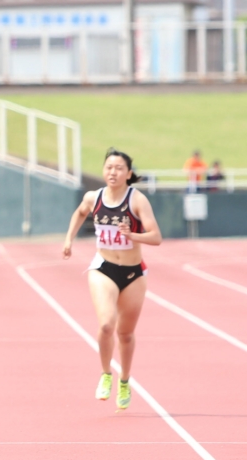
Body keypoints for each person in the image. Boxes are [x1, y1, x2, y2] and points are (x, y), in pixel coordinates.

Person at [62, 149, 163, 410]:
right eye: (108, 167)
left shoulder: (137, 200)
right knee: (106, 325)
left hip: (133, 273)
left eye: (119, 168)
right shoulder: (93, 197)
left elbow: (156, 237)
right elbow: (79, 213)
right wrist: (69, 239)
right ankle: (106, 373)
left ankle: (125, 380)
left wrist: (133, 236)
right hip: (103, 268)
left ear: (128, 174)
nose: (113, 172)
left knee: (126, 333)